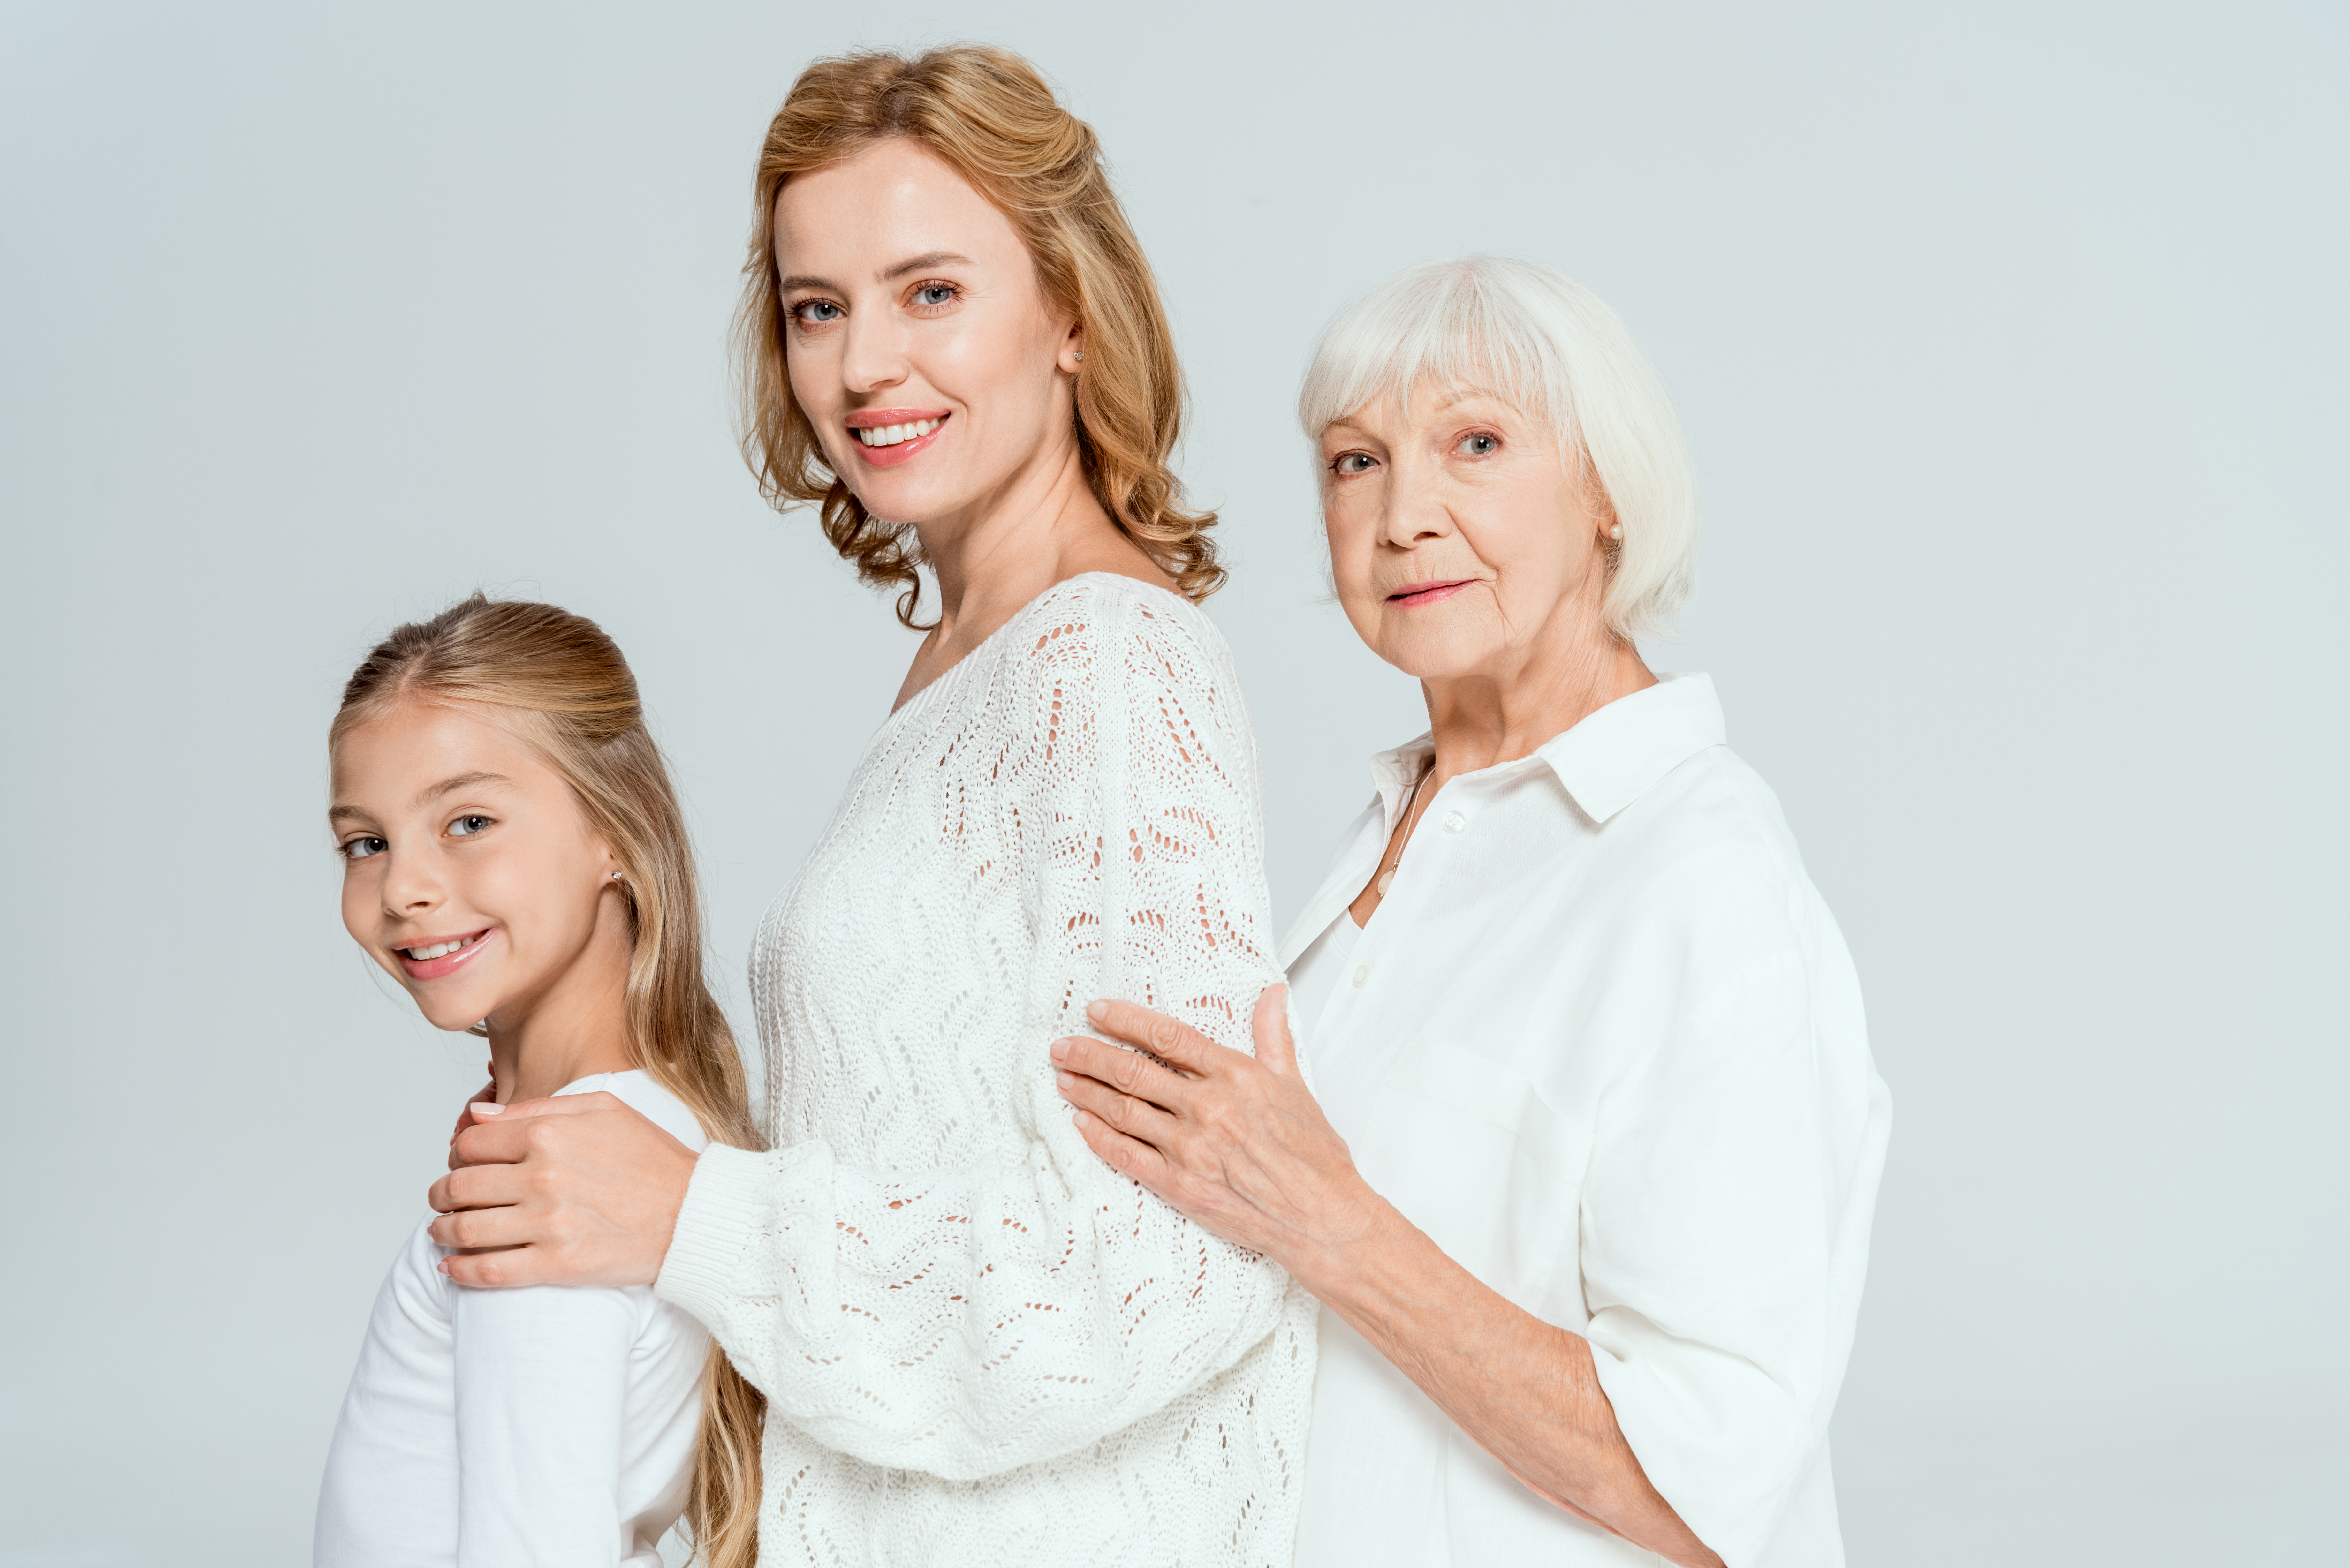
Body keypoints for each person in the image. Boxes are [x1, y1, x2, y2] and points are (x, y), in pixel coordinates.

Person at [422, 47, 1316, 1568]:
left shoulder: (1102, 666)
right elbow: (935, 1145)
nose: (860, 368)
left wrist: (692, 1214)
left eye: (931, 292)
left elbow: (1159, 1263)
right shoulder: (970, 671)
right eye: (816, 307)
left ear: (1071, 315)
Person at [1050, 256, 1894, 1568]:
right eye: (1354, 461)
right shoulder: (1394, 833)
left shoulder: (1700, 879)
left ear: (1605, 489)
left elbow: (1703, 1477)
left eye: (1476, 444)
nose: (1402, 517)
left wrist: (1325, 1219)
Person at [313, 595, 763, 1568]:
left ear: (616, 830)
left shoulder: (557, 1186)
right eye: (367, 842)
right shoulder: (642, 1135)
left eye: (468, 820)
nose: (402, 889)